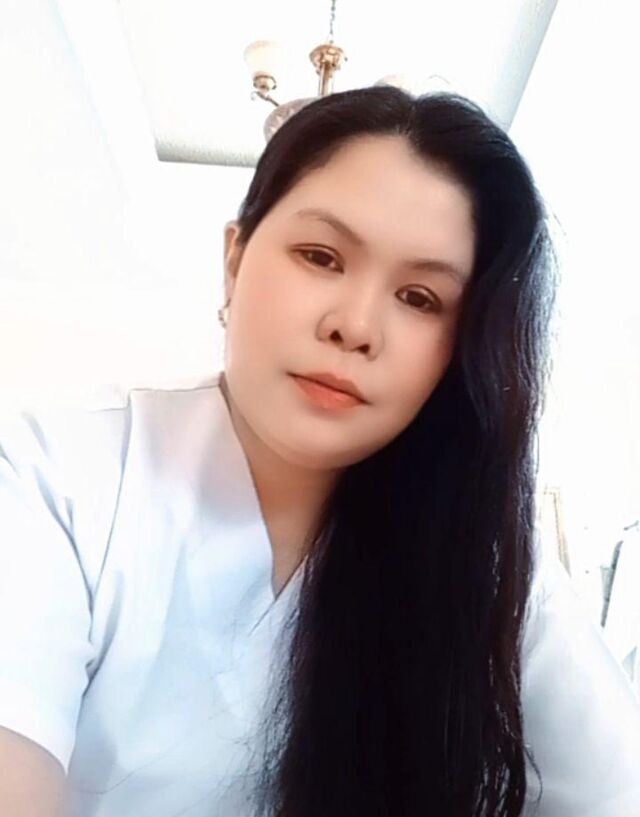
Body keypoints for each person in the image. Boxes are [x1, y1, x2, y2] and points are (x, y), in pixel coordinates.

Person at [1, 86, 639, 817]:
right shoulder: (53, 475)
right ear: (234, 259)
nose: (355, 326)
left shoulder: (490, 568)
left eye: (420, 298)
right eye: (320, 256)